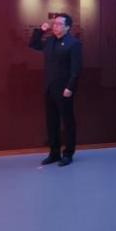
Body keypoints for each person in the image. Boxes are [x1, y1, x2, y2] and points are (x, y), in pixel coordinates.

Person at [28, 14, 83, 166]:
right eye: (54, 23)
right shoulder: (50, 41)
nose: (55, 26)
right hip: (49, 87)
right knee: (52, 121)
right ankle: (54, 153)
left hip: (64, 89)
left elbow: (76, 69)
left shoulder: (74, 43)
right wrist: (40, 30)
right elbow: (33, 44)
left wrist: (70, 87)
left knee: (68, 121)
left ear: (67, 27)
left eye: (59, 24)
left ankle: (68, 153)